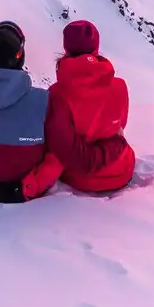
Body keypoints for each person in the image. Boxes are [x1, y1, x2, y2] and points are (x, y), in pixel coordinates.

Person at [0, 21, 129, 203]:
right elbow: (70, 154)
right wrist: (116, 145)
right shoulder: (45, 101)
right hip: (25, 185)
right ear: (20, 56)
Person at [22, 20, 136, 198]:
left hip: (82, 178)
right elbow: (119, 128)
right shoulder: (120, 86)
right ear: (96, 47)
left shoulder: (57, 94)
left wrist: (30, 186)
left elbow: (60, 151)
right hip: (122, 169)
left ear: (66, 49)